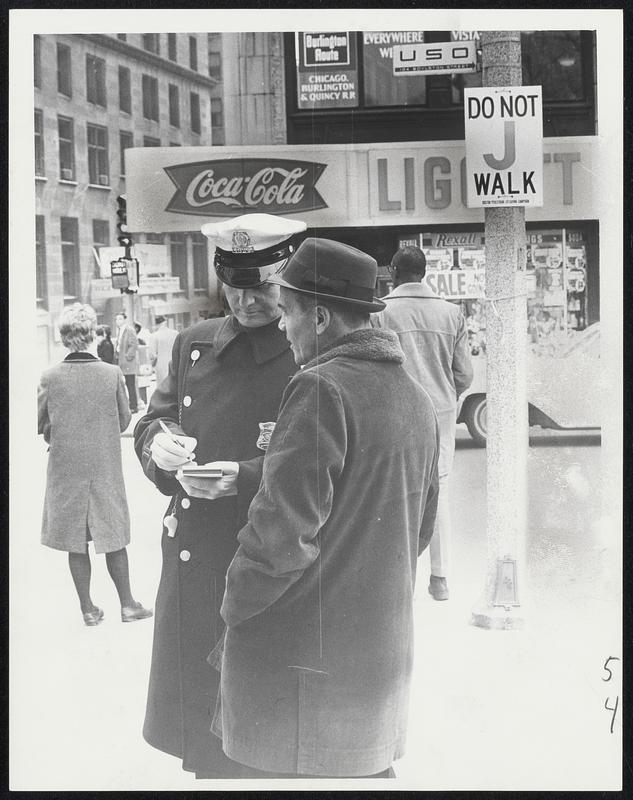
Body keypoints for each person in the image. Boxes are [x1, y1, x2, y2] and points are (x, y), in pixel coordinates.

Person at [213, 238, 440, 778]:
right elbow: (421, 529)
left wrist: (232, 608)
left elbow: (278, 537)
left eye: (287, 314)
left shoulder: (319, 387)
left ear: (319, 317)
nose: (282, 328)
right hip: (377, 666)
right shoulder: (415, 395)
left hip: (301, 672)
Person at [133, 213, 307, 778]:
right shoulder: (193, 343)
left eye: (261, 287)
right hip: (196, 552)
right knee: (204, 734)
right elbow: (153, 418)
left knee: (262, 726)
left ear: (287, 281)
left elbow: (321, 458)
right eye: (235, 286)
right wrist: (158, 447)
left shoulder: (306, 349)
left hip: (263, 552)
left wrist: (247, 476)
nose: (247, 301)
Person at [38, 303, 152, 626]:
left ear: (63, 338)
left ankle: (88, 608)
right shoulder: (111, 374)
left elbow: (42, 424)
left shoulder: (49, 377)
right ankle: (128, 604)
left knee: (76, 538)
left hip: (66, 468)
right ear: (90, 336)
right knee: (113, 534)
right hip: (104, 465)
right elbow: (125, 419)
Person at [374, 245, 473, 601]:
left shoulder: (381, 312)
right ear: (424, 273)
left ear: (394, 271)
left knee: (395, 491)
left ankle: (399, 579)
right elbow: (465, 374)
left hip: (395, 409)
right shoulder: (452, 313)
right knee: (439, 490)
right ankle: (440, 578)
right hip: (441, 413)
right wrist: (445, 394)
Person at [114, 311, 139, 413]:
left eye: (120, 319)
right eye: (116, 319)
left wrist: (128, 356)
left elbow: (133, 344)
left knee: (130, 384)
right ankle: (131, 404)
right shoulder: (120, 330)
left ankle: (134, 405)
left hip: (128, 362)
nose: (118, 321)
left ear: (124, 319)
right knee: (126, 384)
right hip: (121, 360)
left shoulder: (129, 330)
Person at [149, 315, 178, 387]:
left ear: (156, 325)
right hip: (174, 362)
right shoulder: (175, 333)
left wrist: (152, 365)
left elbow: (152, 355)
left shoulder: (154, 336)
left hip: (160, 365)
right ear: (165, 322)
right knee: (174, 385)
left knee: (163, 386)